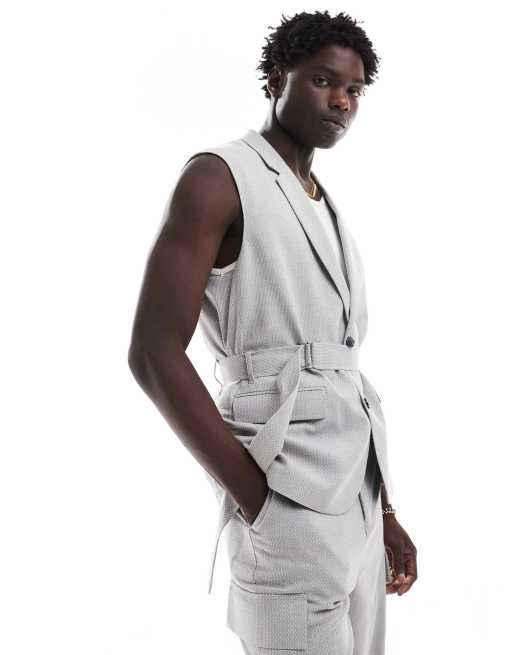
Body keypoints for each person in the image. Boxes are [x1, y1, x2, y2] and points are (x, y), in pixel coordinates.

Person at [128, 9, 417, 654]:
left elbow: (341, 370)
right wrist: (257, 501)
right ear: (276, 77)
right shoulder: (218, 177)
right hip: (285, 499)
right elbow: (152, 352)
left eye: (354, 90)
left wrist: (385, 512)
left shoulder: (320, 199)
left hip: (358, 505)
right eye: (323, 81)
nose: (341, 102)